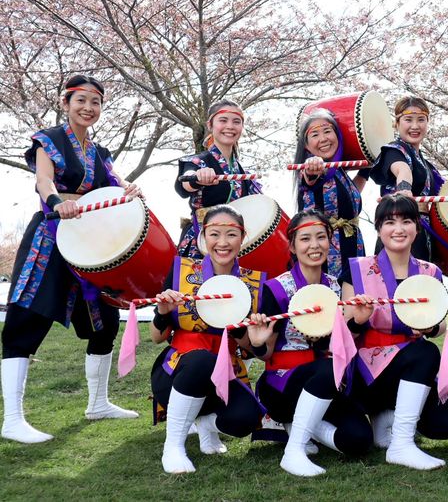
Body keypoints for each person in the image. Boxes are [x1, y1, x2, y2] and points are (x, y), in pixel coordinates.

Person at [2, 75, 140, 444]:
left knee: (105, 320)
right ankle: (12, 418)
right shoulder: (48, 140)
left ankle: (98, 403)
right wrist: (57, 203)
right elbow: (44, 181)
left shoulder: (99, 152)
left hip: (87, 242)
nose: (88, 108)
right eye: (81, 100)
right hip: (49, 236)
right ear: (66, 102)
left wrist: (129, 187)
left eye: (95, 102)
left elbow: (114, 181)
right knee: (26, 318)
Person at [248, 210, 372, 476]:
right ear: (292, 246)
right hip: (282, 383)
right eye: (305, 239)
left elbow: (342, 342)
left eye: (321, 237)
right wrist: (258, 344)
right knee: (328, 370)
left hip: (325, 382)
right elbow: (265, 351)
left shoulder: (336, 288)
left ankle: (300, 424)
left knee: (359, 440)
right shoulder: (276, 289)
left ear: (330, 241)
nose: (314, 246)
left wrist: (358, 322)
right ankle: (294, 450)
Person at [342, 194, 448, 470]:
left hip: (411, 366)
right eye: (390, 222)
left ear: (417, 228)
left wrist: (430, 326)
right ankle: (402, 444)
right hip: (368, 373)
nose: (399, 229)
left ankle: (388, 417)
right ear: (379, 228)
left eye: (407, 221)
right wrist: (358, 319)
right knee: (425, 352)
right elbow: (345, 330)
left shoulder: (430, 273)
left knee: (446, 425)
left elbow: (440, 324)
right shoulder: (356, 269)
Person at [149, 205, 265, 474]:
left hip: (226, 373)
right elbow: (157, 337)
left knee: (247, 418)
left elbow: (251, 349)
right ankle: (174, 445)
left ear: (243, 237)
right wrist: (164, 312)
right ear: (203, 238)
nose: (223, 243)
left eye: (231, 235)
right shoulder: (180, 272)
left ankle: (204, 423)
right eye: (214, 234)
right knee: (202, 360)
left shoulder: (253, 285)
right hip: (179, 371)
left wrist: (242, 330)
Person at [370, 96, 448, 261]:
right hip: (398, 230)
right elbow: (403, 169)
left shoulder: (426, 166)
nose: (415, 126)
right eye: (408, 120)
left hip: (422, 232)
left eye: (421, 120)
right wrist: (404, 189)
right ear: (397, 123)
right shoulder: (393, 151)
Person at [175, 100, 262, 258]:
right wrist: (197, 178)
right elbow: (184, 183)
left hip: (235, 245)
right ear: (210, 125)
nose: (230, 126)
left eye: (236, 121)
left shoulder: (243, 172)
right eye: (223, 120)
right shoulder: (198, 162)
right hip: (202, 241)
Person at [293, 108, 368, 280]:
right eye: (315, 135)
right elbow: (310, 178)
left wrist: (366, 171)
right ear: (306, 145)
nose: (323, 139)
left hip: (352, 243)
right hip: (326, 249)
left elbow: (350, 196)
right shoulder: (312, 168)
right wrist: (312, 164)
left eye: (327, 131)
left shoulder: (338, 169)